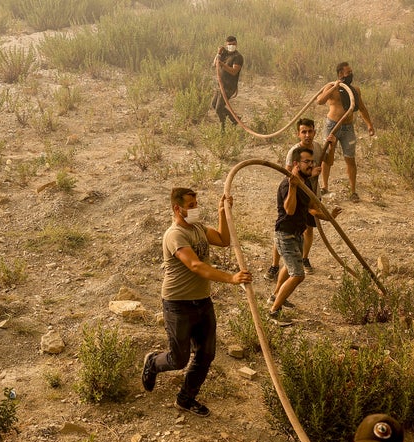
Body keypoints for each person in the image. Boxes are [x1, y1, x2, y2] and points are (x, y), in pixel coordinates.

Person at [141, 188, 253, 417]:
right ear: (177, 208)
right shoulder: (175, 235)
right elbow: (195, 265)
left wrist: (223, 211)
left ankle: (186, 398)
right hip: (178, 304)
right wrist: (231, 278)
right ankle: (153, 362)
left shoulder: (199, 229)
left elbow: (223, 239)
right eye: (191, 205)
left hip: (202, 301)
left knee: (206, 354)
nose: (195, 208)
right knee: (179, 359)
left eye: (196, 203)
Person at [269, 147, 342, 325]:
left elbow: (311, 208)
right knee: (298, 275)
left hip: (297, 234)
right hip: (285, 234)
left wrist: (329, 216)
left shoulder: (305, 182)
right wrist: (293, 187)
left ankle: (276, 296)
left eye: (312, 162)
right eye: (307, 162)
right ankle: (274, 312)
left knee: (290, 266)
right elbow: (289, 209)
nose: (311, 165)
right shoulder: (288, 184)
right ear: (296, 164)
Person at [264, 118, 336, 281]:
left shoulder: (317, 146)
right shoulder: (294, 151)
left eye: (310, 131)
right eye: (304, 132)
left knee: (308, 228)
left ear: (314, 132)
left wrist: (332, 146)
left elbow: (329, 162)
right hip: (296, 196)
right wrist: (310, 174)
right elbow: (290, 175)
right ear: (298, 134)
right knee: (284, 229)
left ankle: (304, 258)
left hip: (312, 194)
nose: (307, 135)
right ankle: (275, 265)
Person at [316, 61, 375, 203]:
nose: (351, 75)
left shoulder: (355, 89)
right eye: (348, 72)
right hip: (332, 126)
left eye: (351, 72)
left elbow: (361, 108)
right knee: (327, 157)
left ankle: (353, 191)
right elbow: (320, 101)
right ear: (341, 74)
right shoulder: (331, 87)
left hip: (348, 128)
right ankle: (324, 187)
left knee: (350, 159)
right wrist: (334, 87)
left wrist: (369, 125)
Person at [211, 35, 244, 129]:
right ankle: (235, 119)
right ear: (226, 44)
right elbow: (214, 64)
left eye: (233, 44)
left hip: (229, 87)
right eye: (229, 44)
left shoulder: (238, 57)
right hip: (220, 85)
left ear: (236, 44)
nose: (231, 46)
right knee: (214, 105)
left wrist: (222, 64)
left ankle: (223, 128)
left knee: (219, 108)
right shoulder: (224, 53)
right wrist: (218, 53)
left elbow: (234, 71)